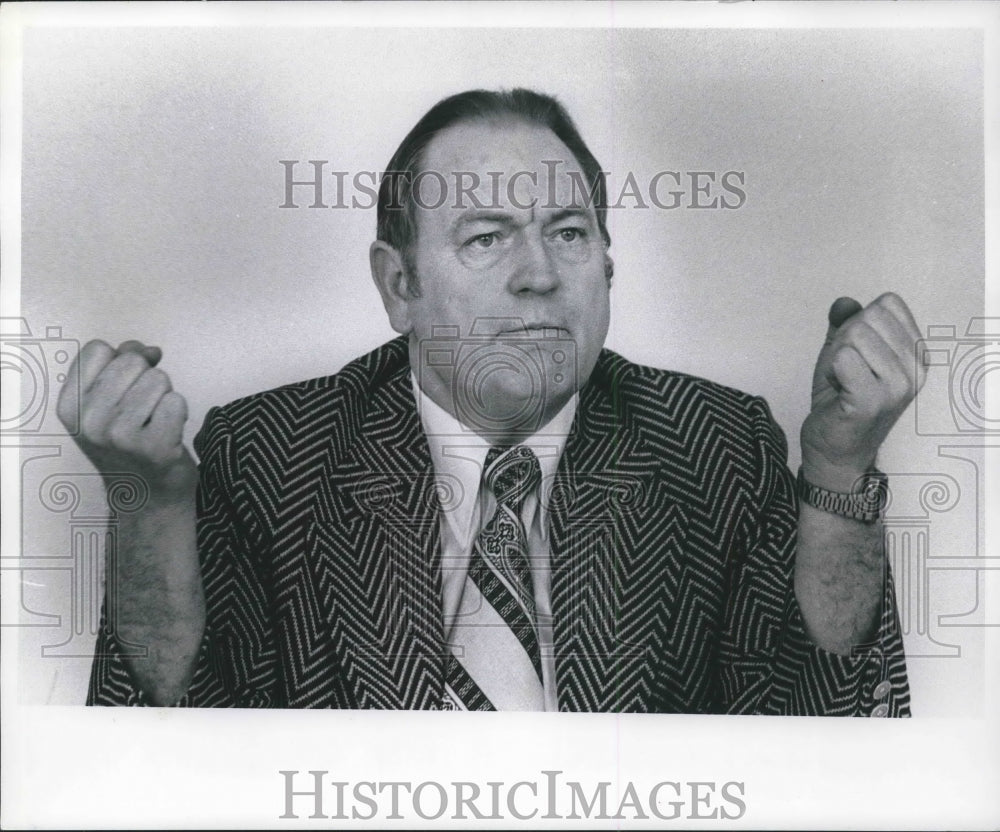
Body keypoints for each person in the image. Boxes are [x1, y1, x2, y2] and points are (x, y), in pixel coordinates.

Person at [58, 88, 925, 713]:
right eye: (486, 238)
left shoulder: (713, 441)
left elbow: (830, 737)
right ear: (399, 285)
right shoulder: (271, 451)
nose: (539, 273)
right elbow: (168, 753)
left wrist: (839, 469)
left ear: (607, 266)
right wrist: (149, 505)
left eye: (569, 233)